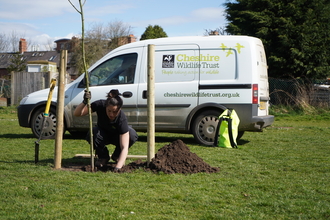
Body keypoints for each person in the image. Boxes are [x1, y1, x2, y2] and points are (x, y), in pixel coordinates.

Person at [73, 89, 138, 170]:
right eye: (109, 111)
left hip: (117, 137)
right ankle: (103, 157)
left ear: (119, 109)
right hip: (101, 135)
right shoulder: (99, 104)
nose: (111, 114)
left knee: (132, 134)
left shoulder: (122, 119)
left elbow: (124, 146)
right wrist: (84, 102)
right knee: (93, 132)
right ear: (105, 106)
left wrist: (118, 167)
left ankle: (117, 156)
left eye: (114, 112)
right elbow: (77, 113)